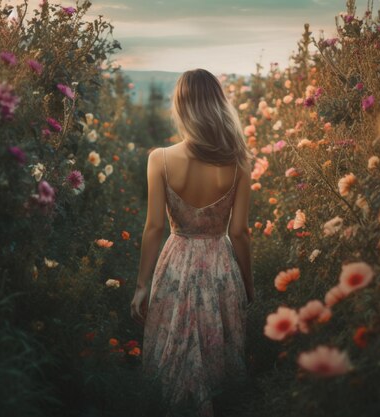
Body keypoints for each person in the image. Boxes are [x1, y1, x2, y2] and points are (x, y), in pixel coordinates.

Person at [130, 68, 255, 417]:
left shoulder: (160, 159)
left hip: (175, 265)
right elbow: (240, 232)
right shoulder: (238, 161)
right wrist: (248, 285)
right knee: (220, 362)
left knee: (174, 358)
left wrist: (142, 286)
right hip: (219, 268)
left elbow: (154, 227)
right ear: (218, 105)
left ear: (182, 107)